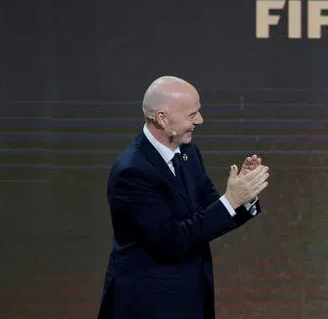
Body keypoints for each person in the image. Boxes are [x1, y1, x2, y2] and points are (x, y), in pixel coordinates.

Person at [97, 76, 271, 319]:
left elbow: (210, 210)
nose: (199, 121)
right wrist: (230, 200)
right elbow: (171, 240)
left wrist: (243, 194)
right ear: (162, 118)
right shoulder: (132, 172)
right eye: (192, 115)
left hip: (190, 300)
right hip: (149, 305)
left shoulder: (188, 152)